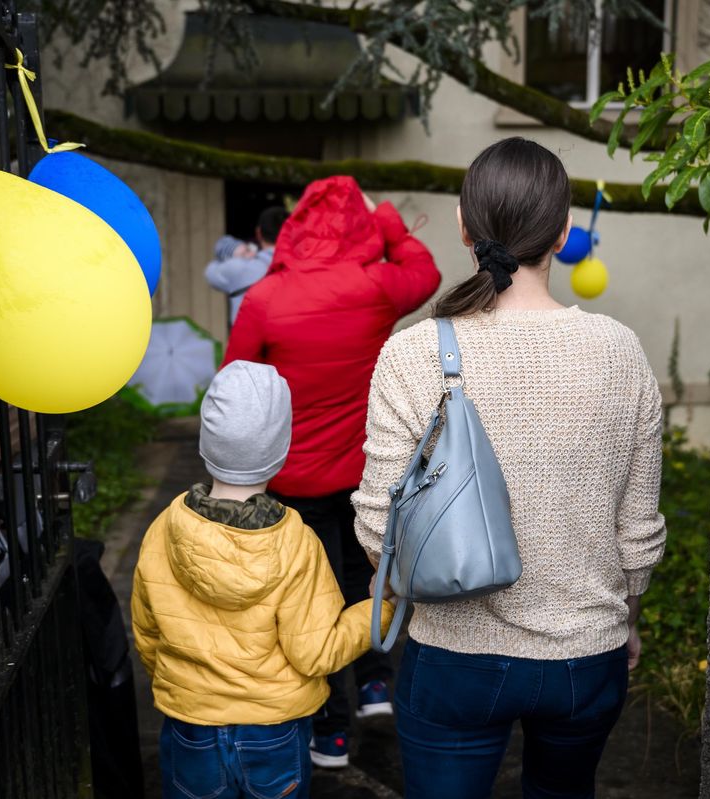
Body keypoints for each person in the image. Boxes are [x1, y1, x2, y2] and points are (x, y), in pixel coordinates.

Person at [352, 138, 666, 799]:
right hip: (588, 656)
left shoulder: (411, 355)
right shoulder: (621, 353)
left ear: (464, 228)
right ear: (563, 232)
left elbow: (380, 534)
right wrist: (626, 619)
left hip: (453, 660)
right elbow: (637, 534)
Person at [222, 175, 440, 767]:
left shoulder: (267, 297)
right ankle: (374, 683)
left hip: (293, 480)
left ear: (294, 229)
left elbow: (235, 381)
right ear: (358, 226)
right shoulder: (378, 285)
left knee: (305, 600)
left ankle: (330, 731)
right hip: (367, 474)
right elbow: (427, 271)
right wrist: (386, 216)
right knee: (363, 576)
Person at [131, 361, 394, 799]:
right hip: (274, 731)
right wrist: (380, 607)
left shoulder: (164, 528)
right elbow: (316, 652)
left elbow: (147, 632)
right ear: (281, 449)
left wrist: (184, 685)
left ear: (206, 443)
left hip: (190, 726)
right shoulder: (297, 542)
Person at [205, 206, 289, 328]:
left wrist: (236, 253)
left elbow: (210, 272)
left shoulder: (239, 267)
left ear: (258, 233)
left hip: (249, 343)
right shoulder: (307, 267)